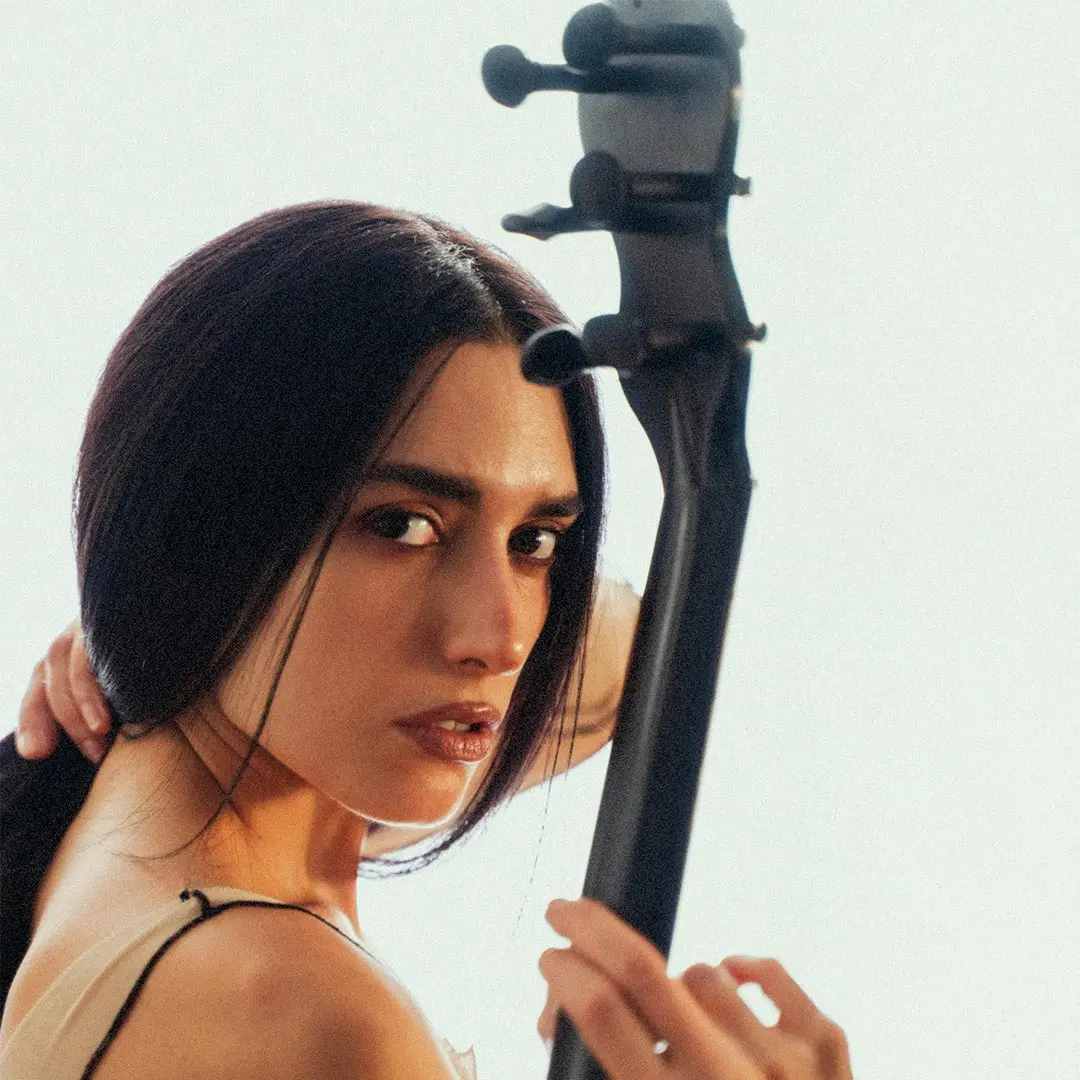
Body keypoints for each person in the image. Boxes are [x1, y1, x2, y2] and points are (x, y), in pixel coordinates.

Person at [0, 201, 853, 1079]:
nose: (501, 641)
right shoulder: (303, 1010)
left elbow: (630, 652)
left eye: (536, 541)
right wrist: (149, 600)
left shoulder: (115, 821)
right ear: (197, 531)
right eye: (403, 526)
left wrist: (142, 618)